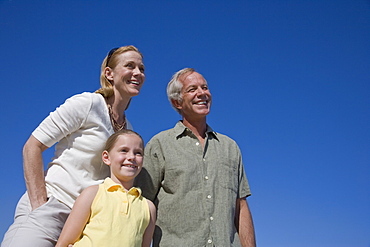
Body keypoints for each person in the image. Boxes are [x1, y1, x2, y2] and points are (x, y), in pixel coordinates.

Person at [1, 45, 146, 247]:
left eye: (141, 68)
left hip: (87, 224)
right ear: (109, 74)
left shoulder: (127, 129)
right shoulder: (88, 104)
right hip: (53, 207)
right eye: (130, 66)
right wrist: (40, 205)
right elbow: (32, 146)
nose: (138, 73)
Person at [135, 68, 256, 247]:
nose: (202, 93)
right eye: (192, 89)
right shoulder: (159, 144)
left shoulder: (230, 147)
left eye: (205, 87)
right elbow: (142, 204)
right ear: (177, 102)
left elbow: (241, 207)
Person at [56, 130, 156, 247]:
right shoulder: (92, 194)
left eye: (138, 153)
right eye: (124, 150)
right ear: (106, 157)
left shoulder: (148, 208)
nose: (131, 157)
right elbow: (64, 243)